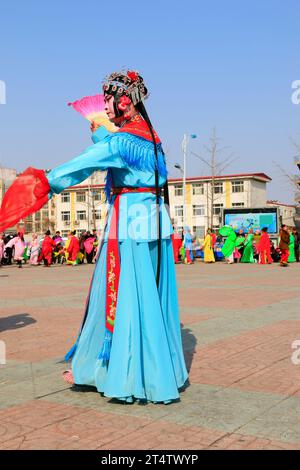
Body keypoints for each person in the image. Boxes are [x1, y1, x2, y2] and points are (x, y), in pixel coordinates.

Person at [0, 69, 188, 403]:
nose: (104, 105)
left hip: (128, 223)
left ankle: (118, 372)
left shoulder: (120, 141)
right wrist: (103, 137)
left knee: (123, 297)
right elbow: (128, 163)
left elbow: (82, 166)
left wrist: (44, 181)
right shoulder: (152, 139)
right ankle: (160, 371)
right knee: (150, 298)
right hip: (155, 221)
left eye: (108, 99)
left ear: (124, 101)